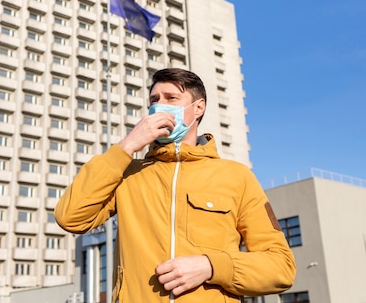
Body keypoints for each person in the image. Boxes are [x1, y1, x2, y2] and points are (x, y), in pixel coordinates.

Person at [55, 68, 296, 302]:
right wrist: (127, 146)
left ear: (198, 107)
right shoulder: (128, 174)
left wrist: (211, 266)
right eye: (154, 100)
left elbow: (280, 268)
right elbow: (71, 217)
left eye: (171, 98)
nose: (160, 106)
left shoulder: (236, 176)